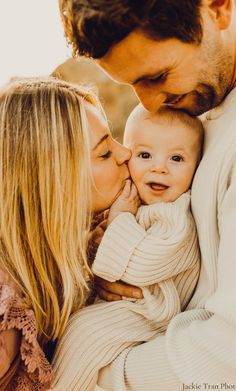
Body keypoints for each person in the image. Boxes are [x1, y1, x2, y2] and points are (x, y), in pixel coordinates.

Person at [57, 0, 236, 388]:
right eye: (132, 84)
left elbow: (228, 353)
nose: (150, 104)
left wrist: (100, 372)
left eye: (156, 76)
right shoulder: (198, 101)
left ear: (219, 8)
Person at [52, 105, 203, 391]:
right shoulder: (136, 202)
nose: (160, 167)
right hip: (129, 309)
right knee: (77, 330)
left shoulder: (175, 215)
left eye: (177, 158)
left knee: (84, 334)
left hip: (150, 314)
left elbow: (145, 264)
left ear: (196, 166)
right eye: (145, 155)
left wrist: (120, 219)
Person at [0, 76, 130, 390]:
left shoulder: (60, 257)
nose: (125, 152)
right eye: (103, 153)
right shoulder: (8, 315)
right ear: (54, 182)